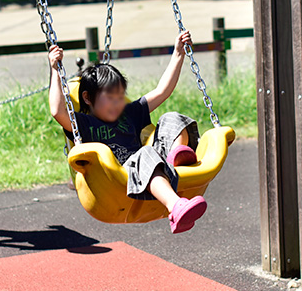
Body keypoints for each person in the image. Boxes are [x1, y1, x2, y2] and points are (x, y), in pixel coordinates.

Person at [47, 31, 206, 234]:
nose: (117, 103)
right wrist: (55, 69)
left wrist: (178, 54)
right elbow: (57, 111)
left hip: (153, 165)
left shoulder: (128, 113)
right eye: (110, 97)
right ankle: (175, 206)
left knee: (173, 118)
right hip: (120, 178)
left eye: (120, 96)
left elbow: (162, 91)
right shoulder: (85, 124)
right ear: (87, 98)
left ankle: (176, 158)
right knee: (145, 154)